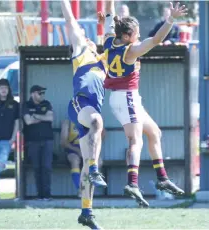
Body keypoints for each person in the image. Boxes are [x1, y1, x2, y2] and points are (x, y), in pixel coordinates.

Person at [99, 0, 186, 207]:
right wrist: (171, 19)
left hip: (127, 97)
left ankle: (162, 178)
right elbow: (156, 39)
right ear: (127, 35)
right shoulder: (130, 51)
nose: (138, 35)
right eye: (136, 32)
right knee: (135, 140)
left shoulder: (109, 39)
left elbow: (109, 12)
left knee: (154, 133)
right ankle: (133, 183)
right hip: (125, 96)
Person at [61, 0, 108, 228]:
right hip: (80, 106)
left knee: (89, 163)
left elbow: (111, 33)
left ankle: (86, 212)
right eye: (83, 33)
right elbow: (70, 21)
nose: (84, 35)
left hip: (90, 114)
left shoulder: (101, 62)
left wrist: (107, 21)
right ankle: (93, 168)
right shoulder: (81, 53)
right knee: (98, 121)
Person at [23, 85, 54, 201]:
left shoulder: (47, 104)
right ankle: (39, 195)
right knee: (37, 168)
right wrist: (42, 117)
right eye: (39, 93)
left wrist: (35, 115)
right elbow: (28, 121)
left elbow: (50, 118)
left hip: (47, 140)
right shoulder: (26, 105)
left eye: (42, 93)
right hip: (33, 141)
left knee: (46, 167)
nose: (42, 95)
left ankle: (47, 195)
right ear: (32, 94)